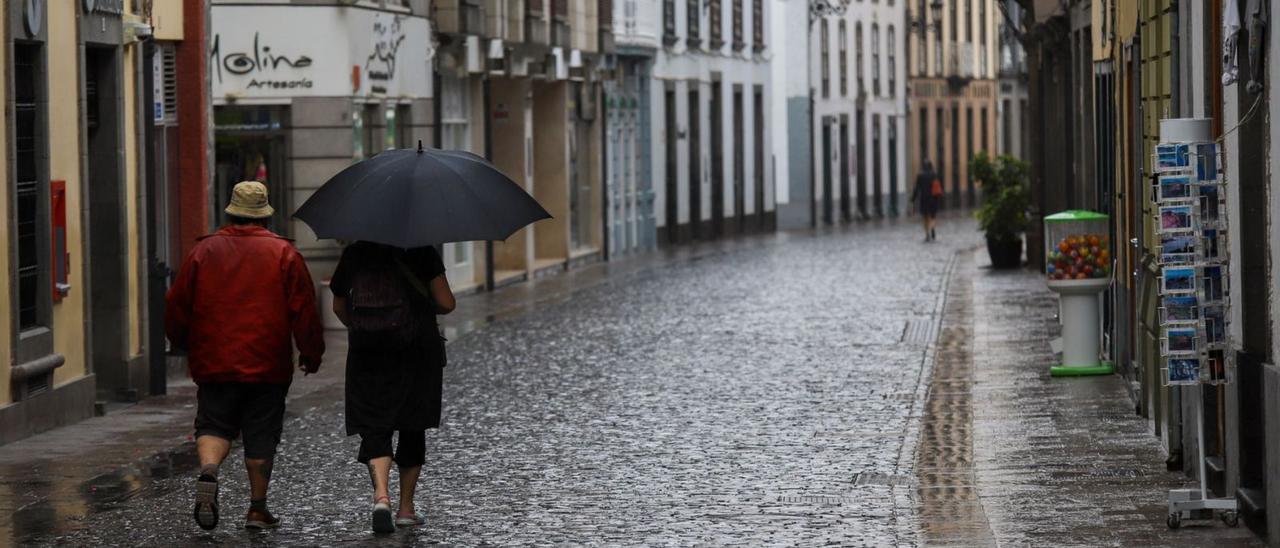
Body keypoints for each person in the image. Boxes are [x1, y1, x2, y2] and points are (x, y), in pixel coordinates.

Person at [165, 181, 325, 531]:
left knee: (213, 423)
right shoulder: (284, 253)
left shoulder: (202, 252)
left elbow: (177, 305)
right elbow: (304, 309)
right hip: (267, 364)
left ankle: (209, 471)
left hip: (214, 361)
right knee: (261, 432)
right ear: (265, 215)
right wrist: (311, 353)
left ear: (231, 211)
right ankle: (256, 508)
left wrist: (183, 342)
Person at [329, 241, 455, 533]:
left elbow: (338, 305)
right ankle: (406, 509)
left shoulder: (355, 252)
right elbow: (447, 303)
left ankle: (381, 497)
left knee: (374, 425)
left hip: (367, 354)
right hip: (416, 352)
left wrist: (364, 327)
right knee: (413, 426)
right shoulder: (421, 250)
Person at [911, 160, 942, 241]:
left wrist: (913, 198)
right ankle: (932, 228)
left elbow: (917, 188)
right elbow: (938, 186)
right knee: (933, 216)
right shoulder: (934, 175)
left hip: (924, 199)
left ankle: (927, 234)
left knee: (925, 217)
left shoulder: (920, 176)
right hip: (933, 198)